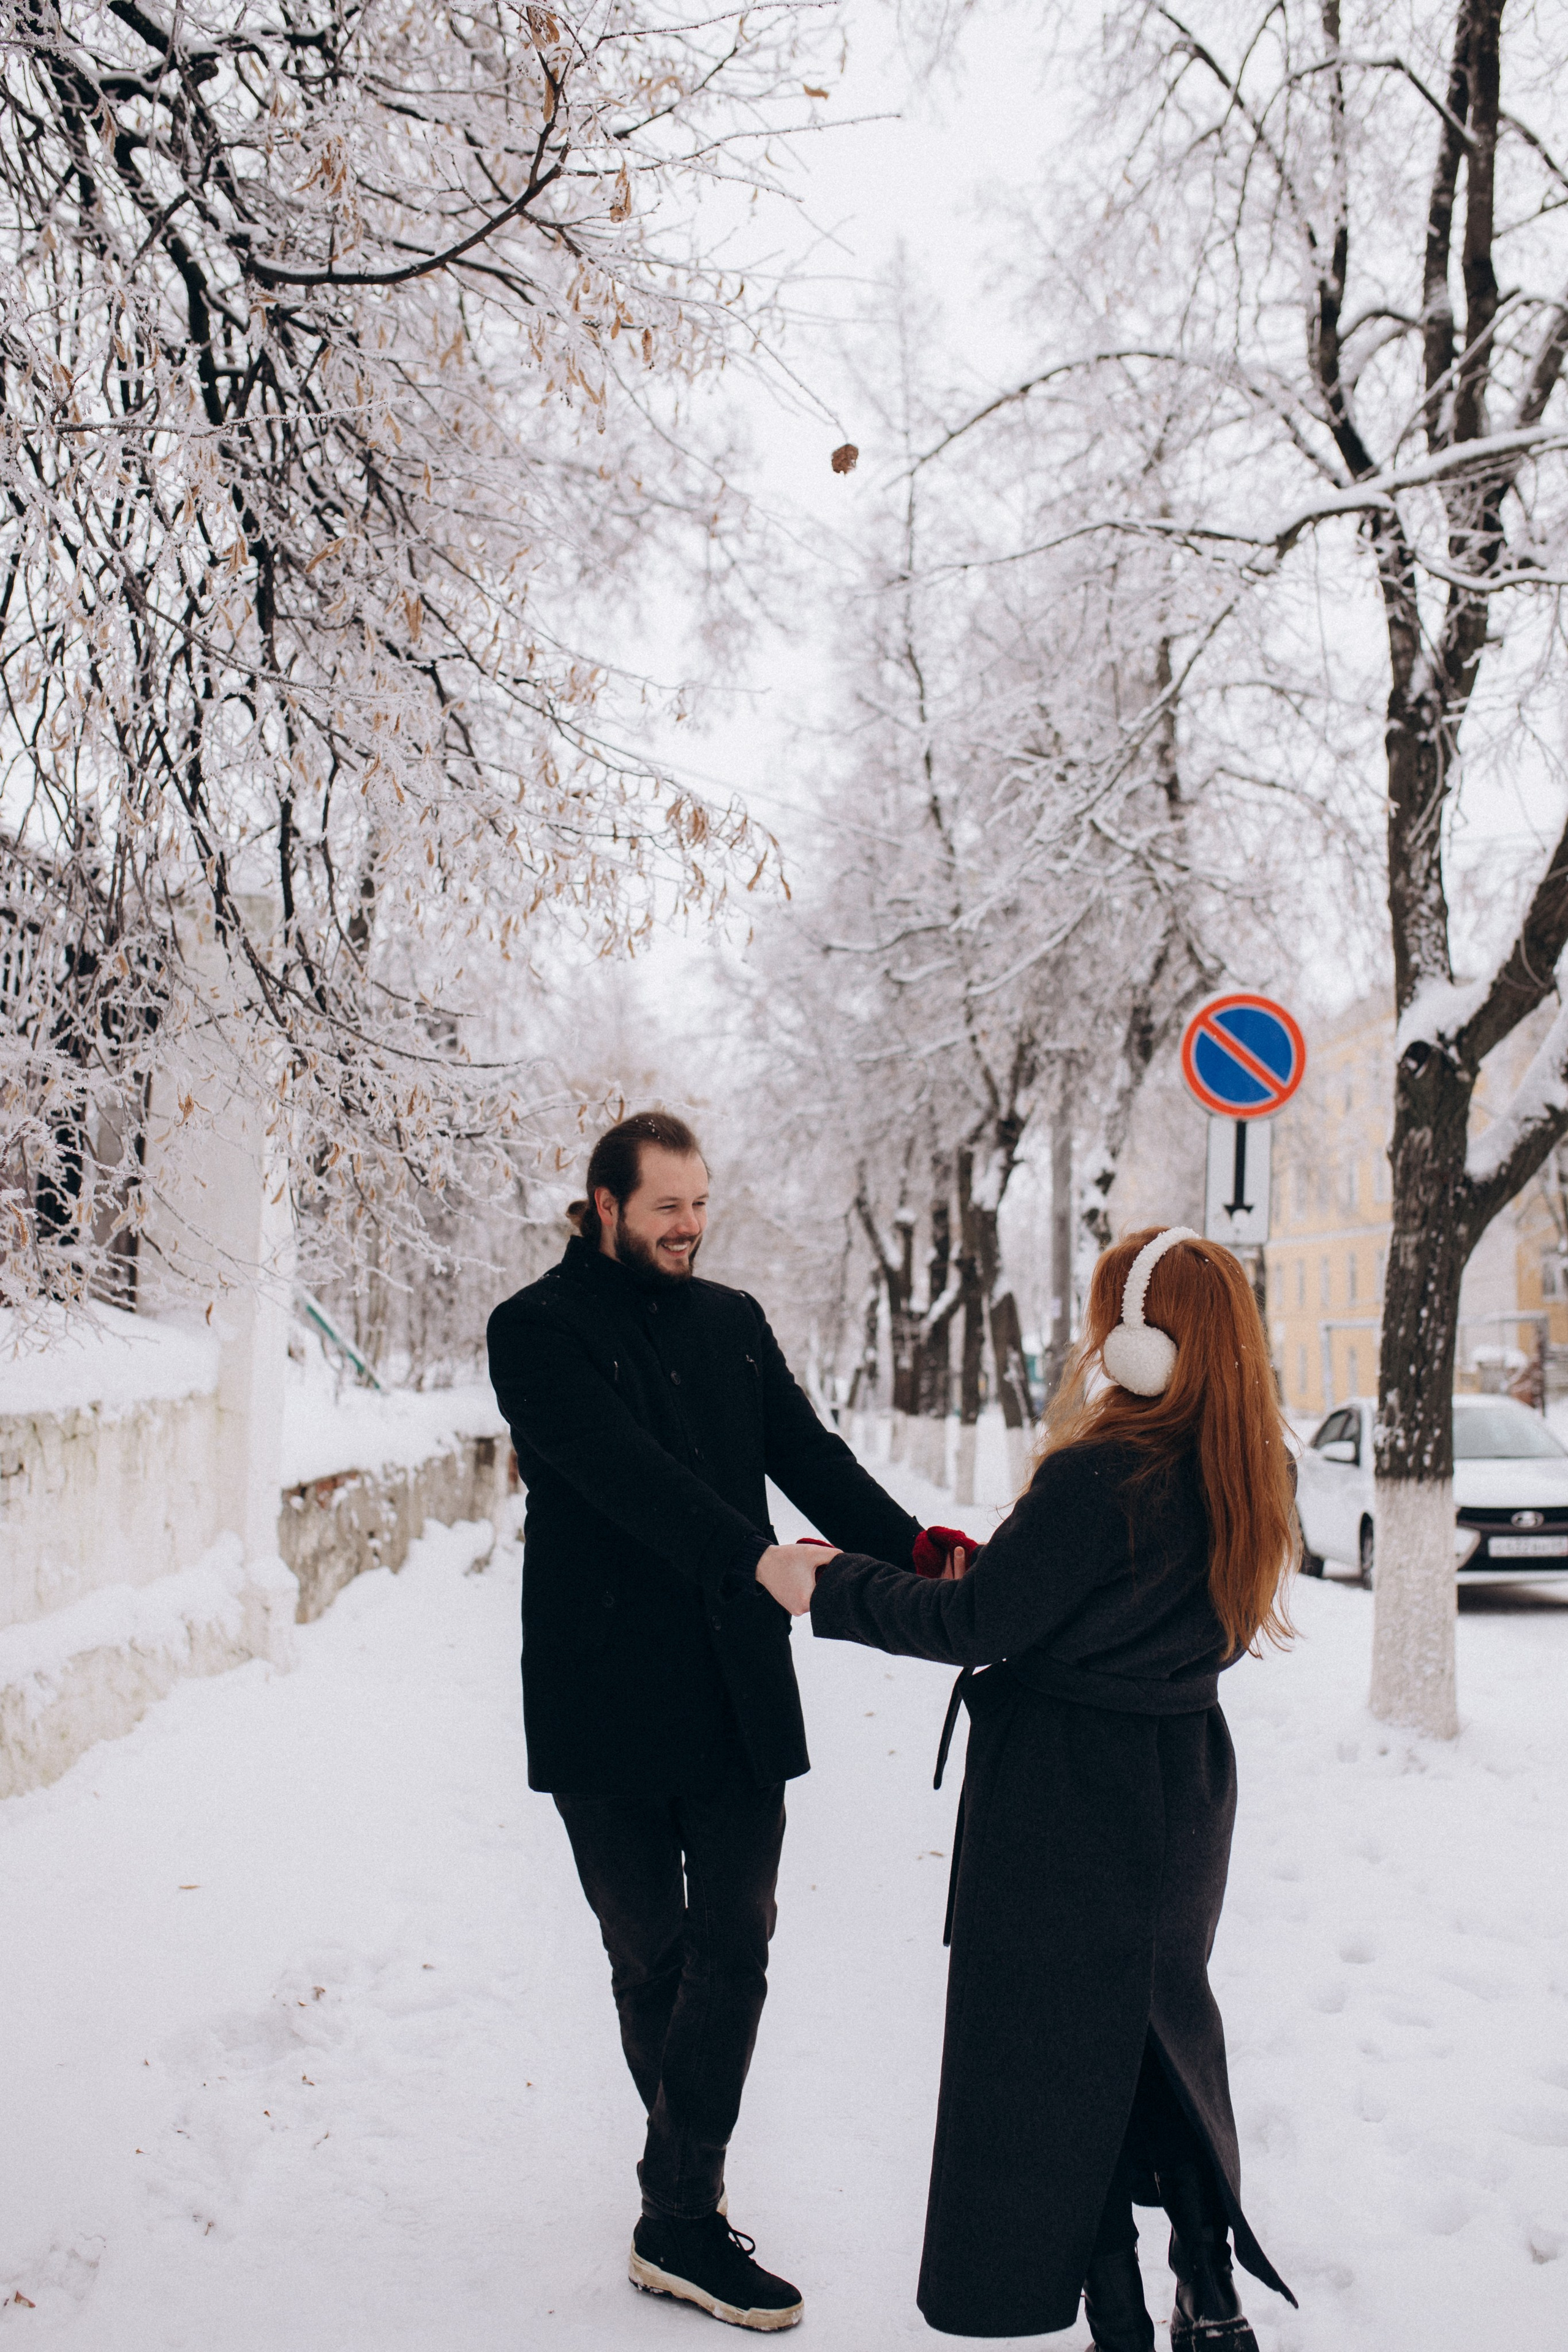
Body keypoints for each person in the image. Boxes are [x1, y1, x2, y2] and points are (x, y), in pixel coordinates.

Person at [757, 1225, 1300, 2349]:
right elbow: (1168, 1621)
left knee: (1052, 2066)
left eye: (1116, 1318)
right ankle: (1210, 2284)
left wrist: (830, 1588)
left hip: (1064, 1797)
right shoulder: (1251, 1464)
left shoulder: (1105, 1473)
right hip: (1183, 1784)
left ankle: (1119, 2322)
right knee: (1151, 2034)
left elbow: (974, 1628)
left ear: (1145, 1343)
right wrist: (1027, 1593)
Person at [486, 1109, 971, 2334]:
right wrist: (755, 1560)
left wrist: (910, 1547)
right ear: (603, 1206)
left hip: (731, 1686)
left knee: (736, 1944)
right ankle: (686, 2196)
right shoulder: (534, 1334)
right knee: (650, 1957)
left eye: (700, 1204)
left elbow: (808, 1457)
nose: (689, 1227)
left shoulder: (733, 1325)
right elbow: (629, 1482)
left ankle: (678, 2212)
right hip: (601, 1694)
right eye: (665, 1207)